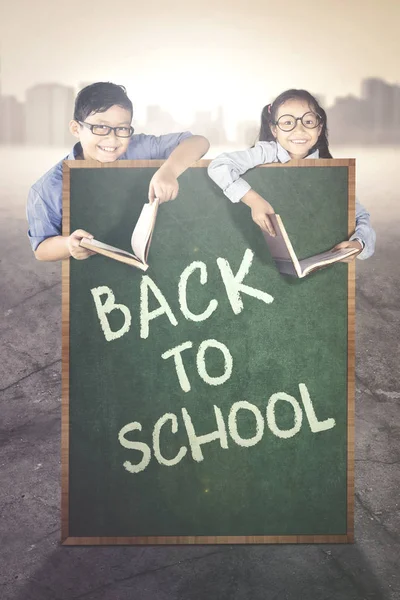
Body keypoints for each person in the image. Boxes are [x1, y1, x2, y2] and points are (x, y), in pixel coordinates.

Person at [27, 82, 210, 261]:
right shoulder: (48, 187)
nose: (112, 139)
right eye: (100, 127)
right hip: (92, 276)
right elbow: (41, 249)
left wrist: (169, 171)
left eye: (122, 128)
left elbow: (199, 142)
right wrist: (68, 244)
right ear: (76, 128)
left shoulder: (138, 147)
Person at [207, 89, 375, 261]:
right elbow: (219, 166)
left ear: (319, 127)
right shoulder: (264, 153)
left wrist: (359, 244)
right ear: (274, 130)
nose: (299, 129)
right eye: (288, 123)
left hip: (312, 254)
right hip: (258, 254)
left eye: (308, 121)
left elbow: (360, 216)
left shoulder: (331, 172)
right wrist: (254, 200)